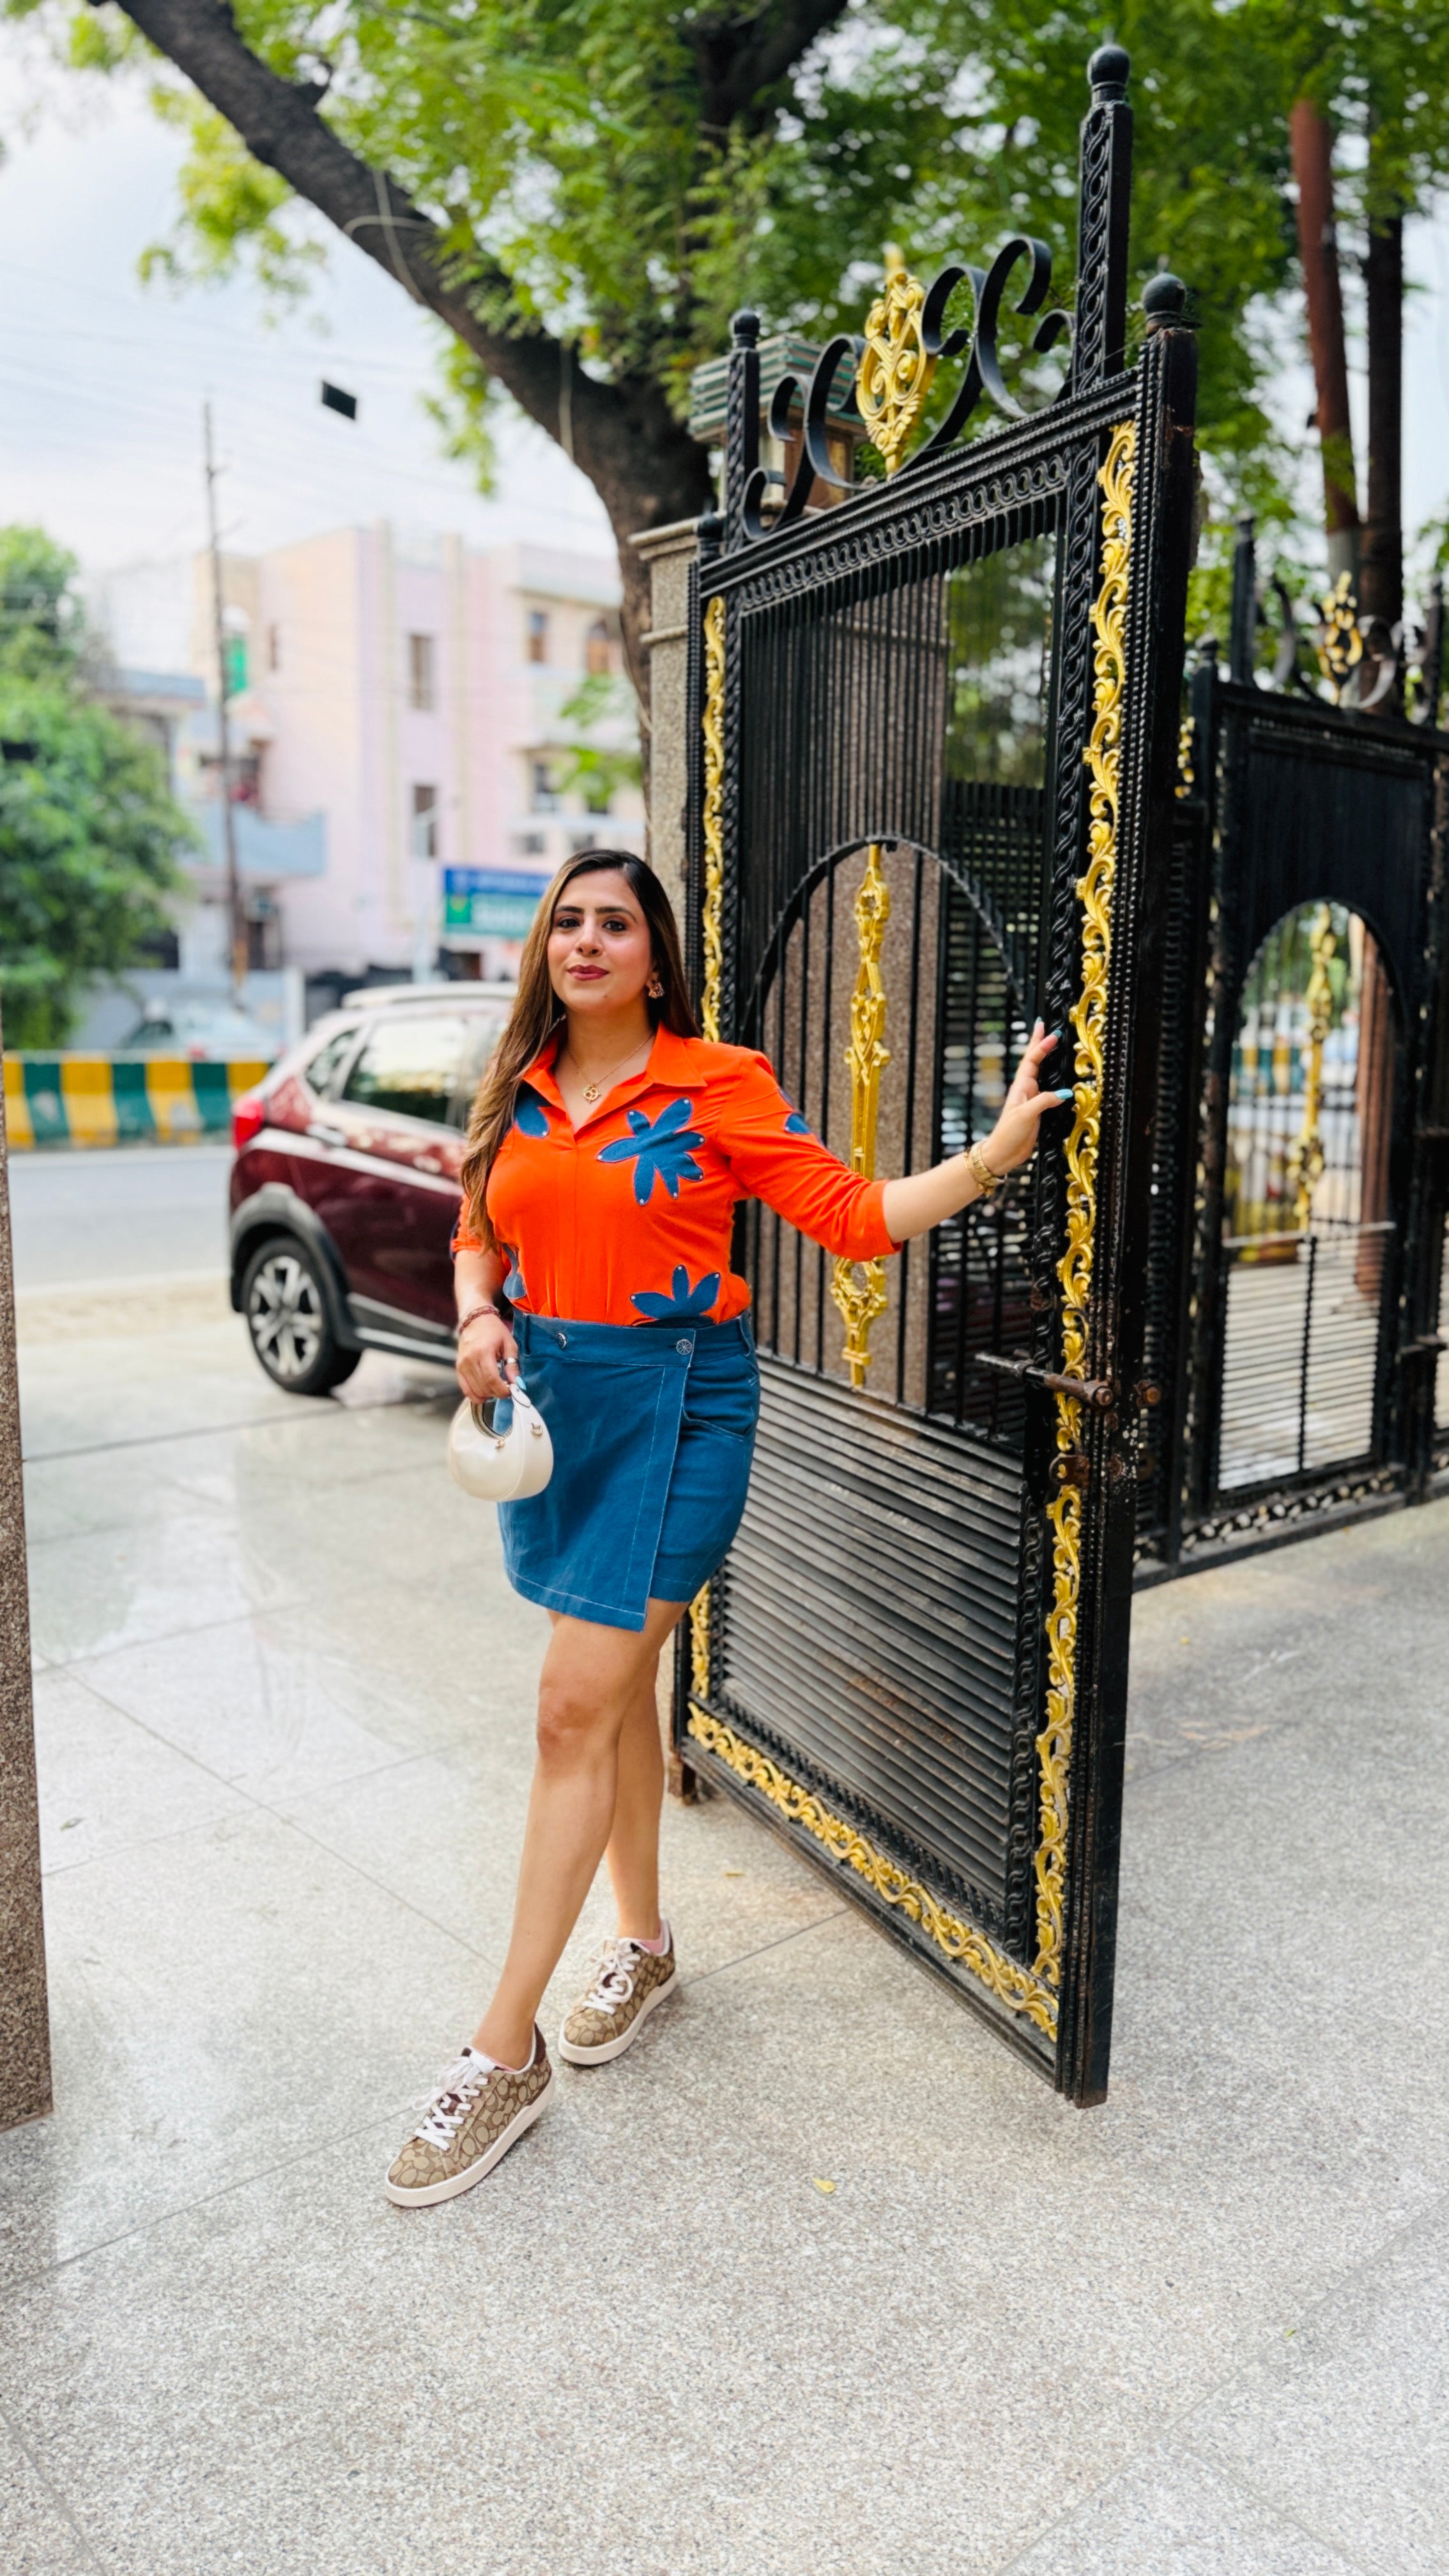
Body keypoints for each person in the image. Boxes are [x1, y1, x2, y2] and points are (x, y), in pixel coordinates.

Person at [385, 848, 1068, 2206]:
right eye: (567, 921)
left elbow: (854, 1221)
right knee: (617, 1684)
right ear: (547, 948)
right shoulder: (517, 1083)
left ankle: (499, 2047)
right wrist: (476, 1314)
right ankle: (641, 1942)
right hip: (559, 1409)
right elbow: (480, 1224)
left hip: (682, 1405)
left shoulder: (720, 1085)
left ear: (653, 952)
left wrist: (992, 1157)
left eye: (614, 923)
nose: (587, 941)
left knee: (570, 1710)